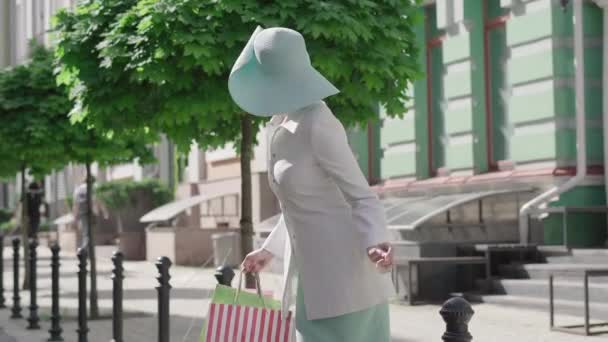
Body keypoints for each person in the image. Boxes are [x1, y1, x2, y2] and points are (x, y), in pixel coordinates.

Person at [229, 26, 395, 342]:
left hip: (345, 282)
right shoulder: (278, 124)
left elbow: (361, 196)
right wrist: (269, 250)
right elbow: (299, 205)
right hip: (308, 278)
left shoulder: (318, 122)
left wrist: (376, 242)